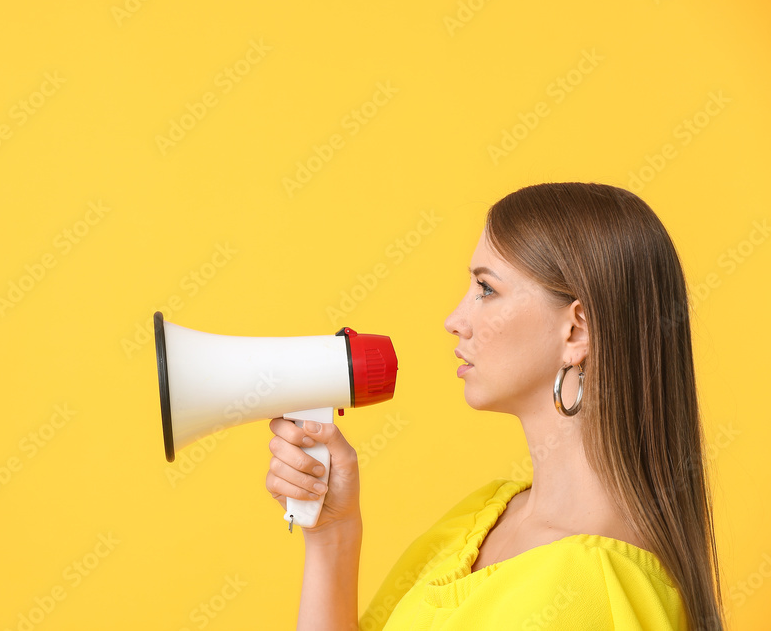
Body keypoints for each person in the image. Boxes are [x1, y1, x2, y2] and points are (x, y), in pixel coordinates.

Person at [265, 182, 724, 630]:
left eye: (487, 290)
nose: (455, 320)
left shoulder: (592, 593)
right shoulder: (483, 516)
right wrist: (332, 534)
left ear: (577, 331)